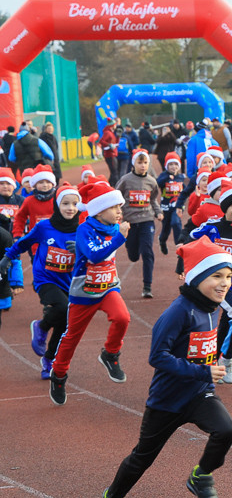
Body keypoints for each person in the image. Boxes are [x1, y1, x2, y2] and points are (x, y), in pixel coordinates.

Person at [95, 238, 232, 498]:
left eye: (228, 276)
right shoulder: (178, 311)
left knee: (226, 430)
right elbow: (157, 357)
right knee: (142, 458)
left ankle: (201, 476)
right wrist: (202, 370)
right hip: (167, 400)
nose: (225, 283)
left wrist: (210, 366)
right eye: (217, 276)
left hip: (199, 393)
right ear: (197, 278)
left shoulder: (216, 306)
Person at [48, 181, 132, 405]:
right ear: (99, 210)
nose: (119, 211)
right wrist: (120, 238)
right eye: (114, 207)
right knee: (72, 337)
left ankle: (110, 354)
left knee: (122, 317)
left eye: (120, 207)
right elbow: (94, 255)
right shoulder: (85, 229)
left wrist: (118, 235)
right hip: (84, 293)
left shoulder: (115, 227)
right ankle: (58, 375)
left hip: (108, 288)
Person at [178, 181, 232, 384]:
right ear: (225, 207)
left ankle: (213, 362)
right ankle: (227, 359)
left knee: (227, 324)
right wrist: (190, 259)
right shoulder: (212, 226)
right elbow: (190, 238)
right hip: (216, 285)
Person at [1, 182, 79, 379]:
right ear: (57, 205)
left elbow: (95, 254)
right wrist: (7, 257)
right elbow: (23, 243)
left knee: (65, 321)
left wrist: (81, 250)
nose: (70, 208)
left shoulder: (82, 230)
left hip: (69, 281)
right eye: (65, 204)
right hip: (46, 279)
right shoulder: (44, 227)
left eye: (74, 204)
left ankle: (49, 360)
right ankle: (41, 326)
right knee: (61, 308)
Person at [115, 149, 162, 298]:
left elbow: (153, 199)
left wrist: (158, 212)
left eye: (145, 163)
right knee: (134, 256)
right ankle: (132, 250)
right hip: (130, 222)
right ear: (133, 163)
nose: (143, 166)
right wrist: (118, 213)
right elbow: (117, 197)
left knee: (147, 252)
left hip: (147, 220)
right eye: (140, 162)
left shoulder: (151, 181)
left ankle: (147, 286)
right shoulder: (125, 180)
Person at [12, 166, 57, 238]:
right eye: (41, 182)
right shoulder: (29, 201)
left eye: (48, 182)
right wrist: (17, 234)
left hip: (55, 237)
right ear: (35, 184)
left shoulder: (58, 199)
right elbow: (20, 217)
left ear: (53, 184)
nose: (45, 185)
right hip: (35, 239)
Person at [156, 152, 185, 255]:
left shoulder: (180, 177)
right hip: (165, 207)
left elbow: (185, 190)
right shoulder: (163, 176)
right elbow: (158, 183)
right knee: (166, 229)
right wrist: (167, 178)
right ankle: (162, 240)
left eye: (176, 164)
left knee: (176, 222)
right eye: (171, 164)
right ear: (166, 166)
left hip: (177, 207)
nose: (173, 166)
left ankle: (179, 245)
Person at [0, 167, 24, 233]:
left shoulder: (21, 200)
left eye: (8, 183)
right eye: (1, 183)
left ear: (14, 186)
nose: (5, 186)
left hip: (16, 234)